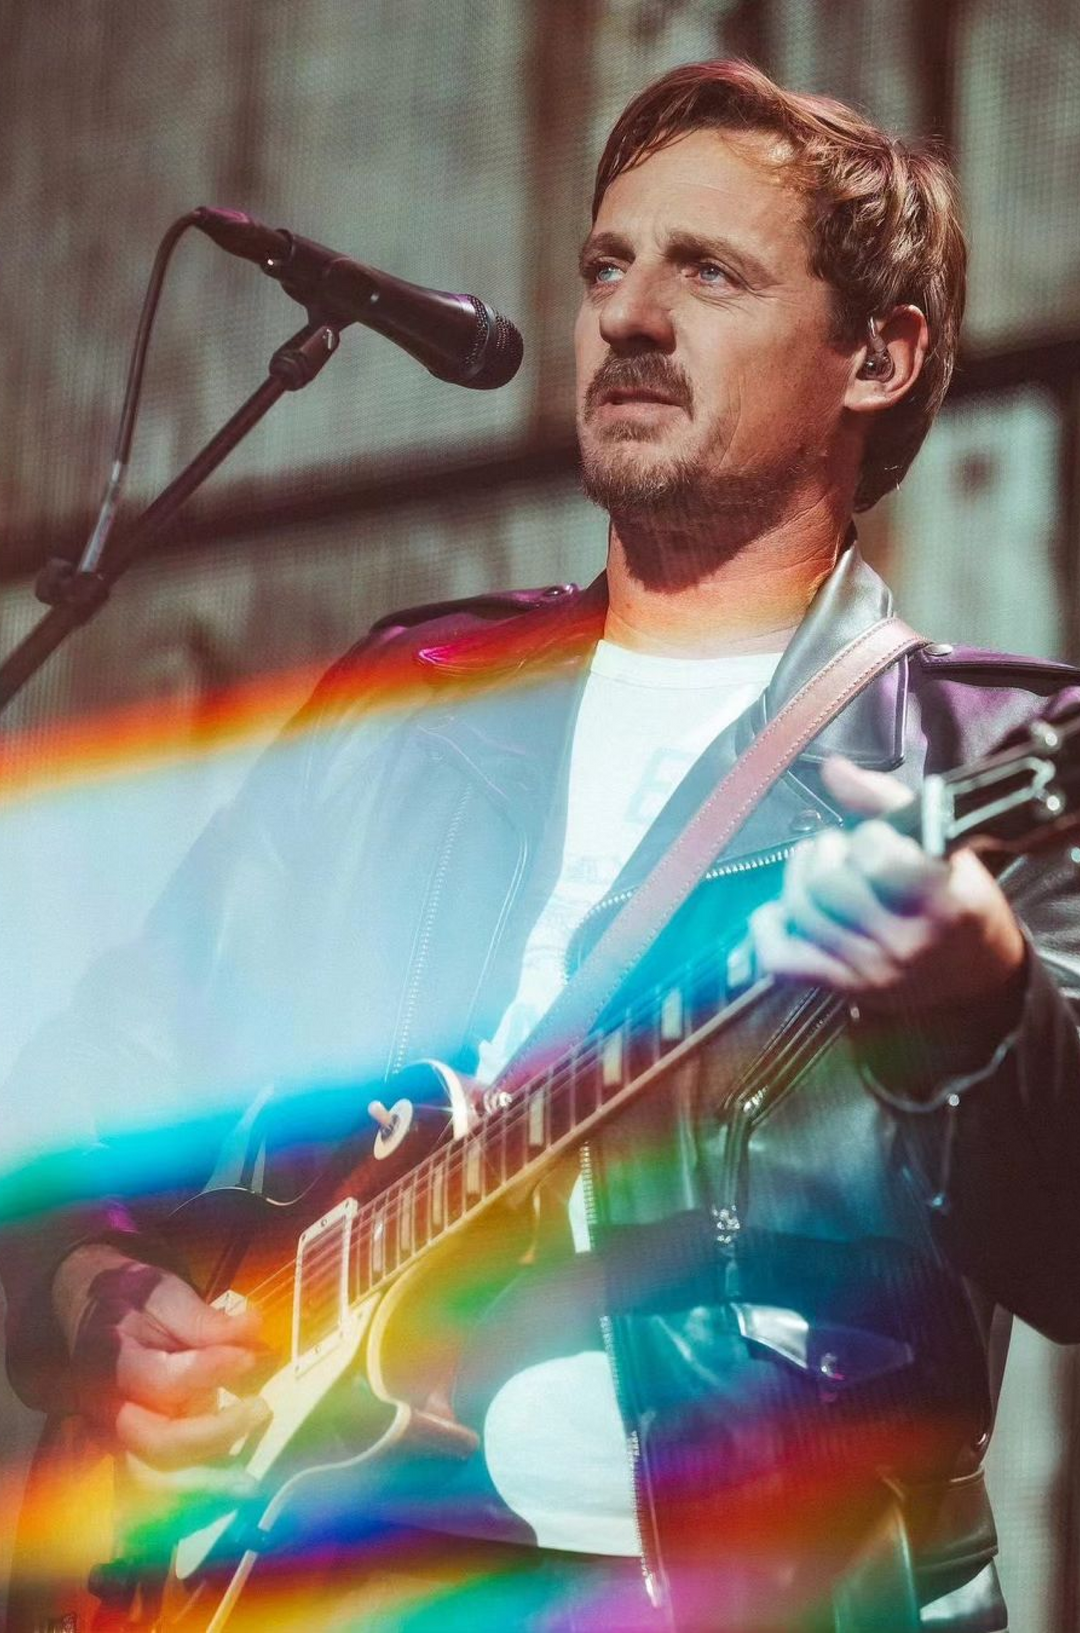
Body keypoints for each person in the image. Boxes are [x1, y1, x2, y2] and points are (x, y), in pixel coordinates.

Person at [4, 59, 1080, 1633]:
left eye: (709, 271)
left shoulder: (985, 758)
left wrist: (980, 1003)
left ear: (881, 355)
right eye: (607, 266)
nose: (630, 316)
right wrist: (89, 1302)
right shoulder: (411, 700)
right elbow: (97, 1097)